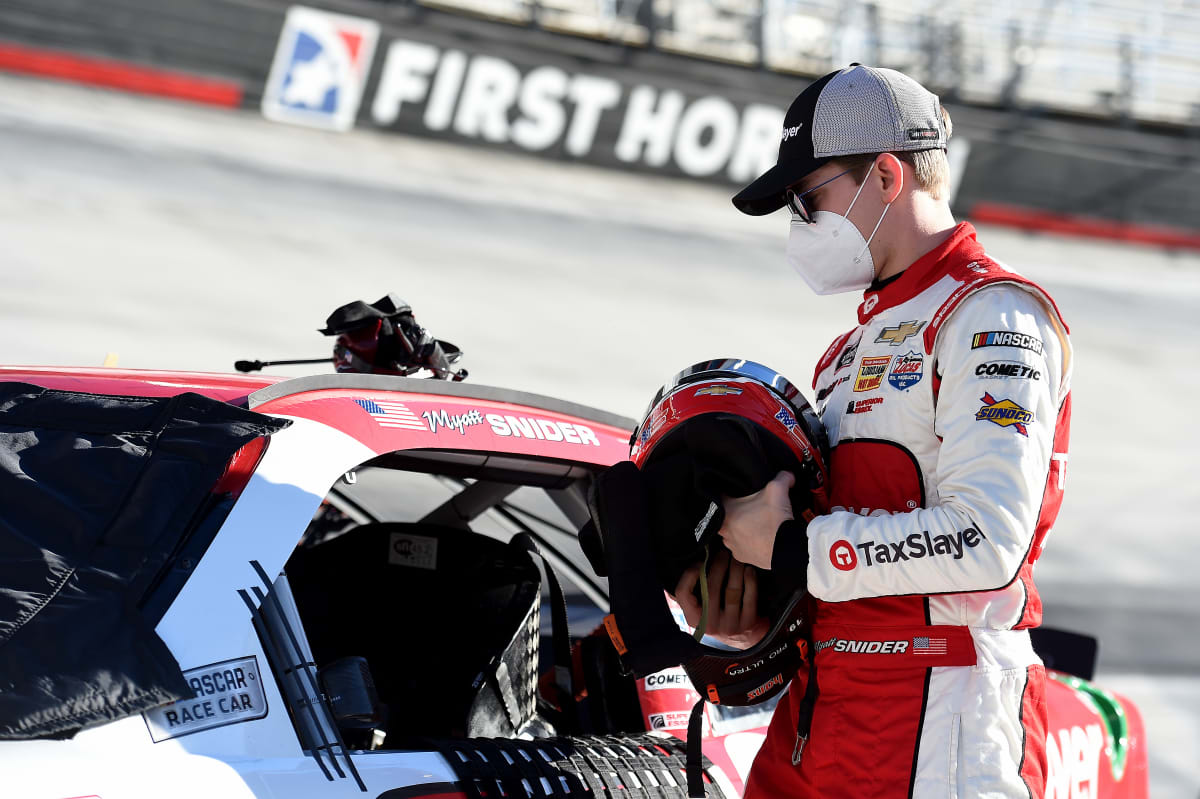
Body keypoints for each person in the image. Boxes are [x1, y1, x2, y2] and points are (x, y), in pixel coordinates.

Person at [671, 65, 1072, 798]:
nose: (799, 222)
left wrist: (793, 547)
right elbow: (847, 552)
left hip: (947, 713)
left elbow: (988, 539)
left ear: (887, 175)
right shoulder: (849, 350)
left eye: (807, 196)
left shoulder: (993, 316)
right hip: (826, 705)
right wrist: (751, 604)